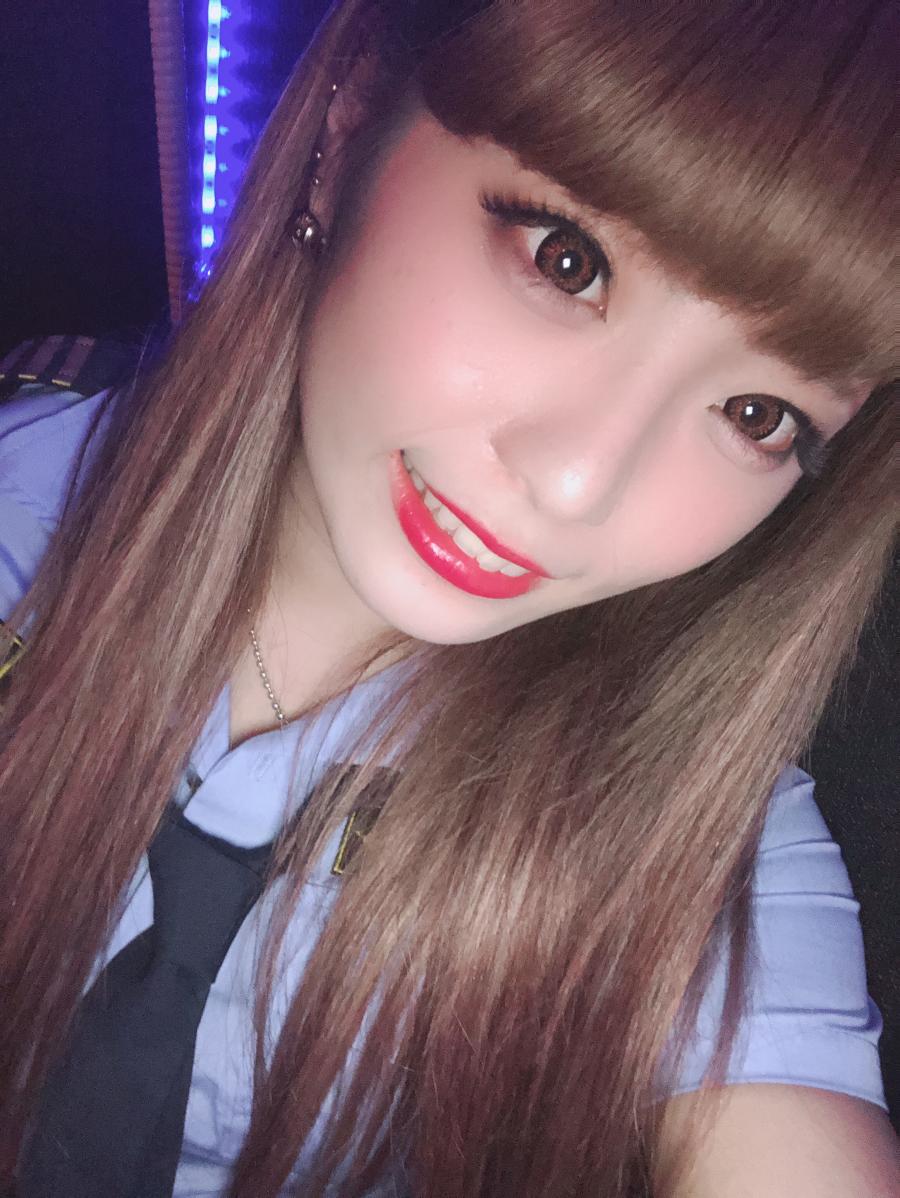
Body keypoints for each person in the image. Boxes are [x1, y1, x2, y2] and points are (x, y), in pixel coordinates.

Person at [0, 1, 897, 1195]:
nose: (577, 483)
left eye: (756, 415)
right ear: (348, 124)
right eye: (568, 260)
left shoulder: (681, 831)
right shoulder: (25, 502)